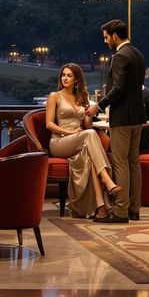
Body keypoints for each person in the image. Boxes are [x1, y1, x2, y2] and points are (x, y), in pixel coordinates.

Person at [86, 19, 146, 222]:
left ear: (115, 35)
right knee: (134, 162)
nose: (105, 41)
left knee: (120, 163)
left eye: (106, 37)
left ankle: (120, 211)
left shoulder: (120, 55)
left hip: (122, 116)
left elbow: (118, 88)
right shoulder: (137, 54)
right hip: (138, 116)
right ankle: (134, 209)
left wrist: (98, 105)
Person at [46, 63, 121, 220]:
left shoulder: (82, 97)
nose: (65, 78)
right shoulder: (55, 96)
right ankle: (107, 180)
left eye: (69, 76)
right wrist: (69, 132)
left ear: (76, 79)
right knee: (90, 135)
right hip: (59, 142)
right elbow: (49, 124)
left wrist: (87, 117)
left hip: (78, 140)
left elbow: (87, 126)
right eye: (63, 75)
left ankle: (101, 210)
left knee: (90, 158)